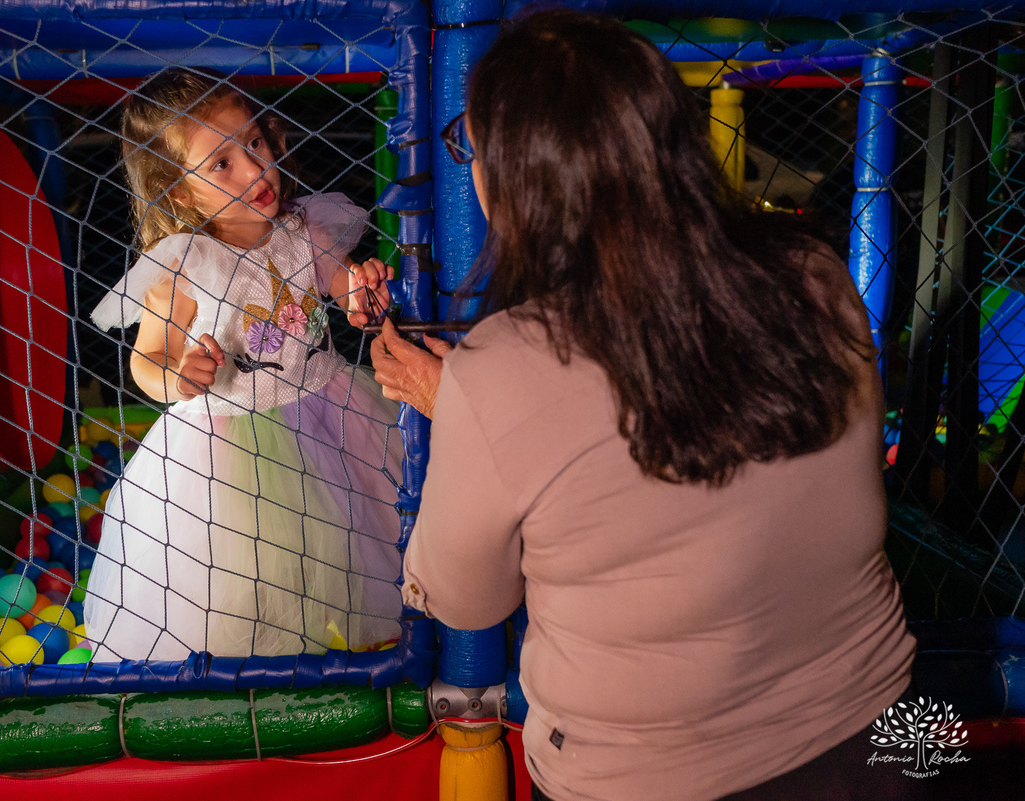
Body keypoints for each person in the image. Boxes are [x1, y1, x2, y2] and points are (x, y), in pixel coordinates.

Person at [372, 10, 918, 801]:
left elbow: (466, 599)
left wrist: (467, 410)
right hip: (890, 740)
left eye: (472, 145)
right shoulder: (813, 273)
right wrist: (486, 412)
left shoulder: (501, 370)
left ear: (516, 179)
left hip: (652, 778)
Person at [84, 68, 403, 661]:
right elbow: (146, 359)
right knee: (248, 573)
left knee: (356, 542)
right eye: (221, 164)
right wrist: (177, 375)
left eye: (254, 142)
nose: (255, 170)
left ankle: (358, 646)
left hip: (333, 415)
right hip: (229, 448)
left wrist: (363, 294)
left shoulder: (305, 228)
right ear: (180, 192)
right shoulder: (185, 263)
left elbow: (347, 294)